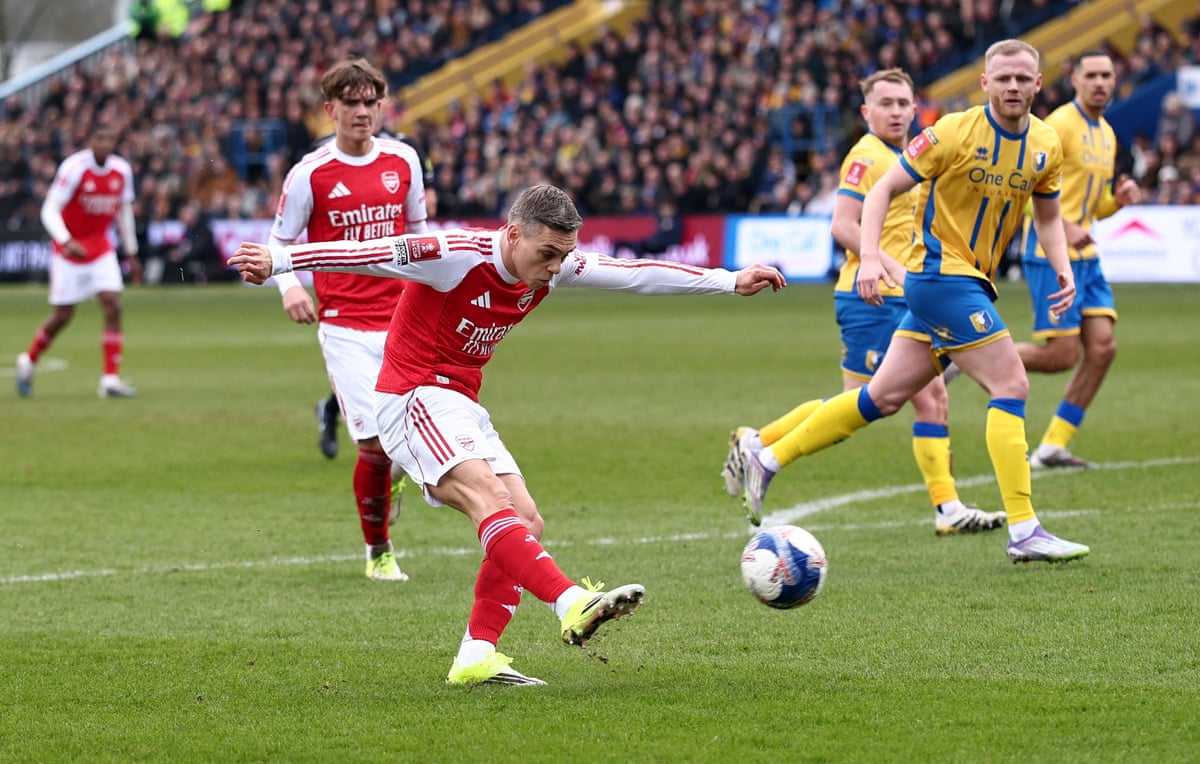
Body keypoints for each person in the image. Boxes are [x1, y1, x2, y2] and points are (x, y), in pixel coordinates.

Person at [229, 183, 785, 686]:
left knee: (526, 519)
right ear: (513, 234)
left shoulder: (553, 262)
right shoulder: (454, 256)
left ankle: (476, 654)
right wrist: (280, 260)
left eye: (564, 254)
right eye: (547, 253)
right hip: (412, 396)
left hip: (459, 402)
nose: (555, 267)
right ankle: (572, 601)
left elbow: (634, 272)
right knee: (490, 501)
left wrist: (729, 280)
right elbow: (369, 253)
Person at [726, 39, 1090, 565]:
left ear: (1039, 83)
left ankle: (768, 455)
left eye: (1023, 78)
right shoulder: (950, 133)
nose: (1013, 86)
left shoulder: (1045, 144)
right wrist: (870, 257)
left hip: (957, 282)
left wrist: (1061, 266)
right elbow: (879, 194)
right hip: (941, 277)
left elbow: (1049, 215)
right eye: (1003, 78)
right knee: (1010, 382)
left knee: (881, 397)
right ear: (985, 83)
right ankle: (1024, 528)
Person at [723, 69, 1005, 536]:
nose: (895, 111)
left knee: (927, 399)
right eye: (886, 103)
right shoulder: (866, 156)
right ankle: (759, 445)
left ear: (916, 109)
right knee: (861, 403)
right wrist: (885, 265)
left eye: (903, 103)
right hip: (871, 294)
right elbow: (842, 224)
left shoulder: (909, 157)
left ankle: (948, 509)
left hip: (904, 294)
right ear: (866, 112)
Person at [268, 59, 428, 582]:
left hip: (406, 318)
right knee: (375, 446)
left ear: (382, 106)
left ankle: (397, 478)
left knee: (416, 437)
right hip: (344, 323)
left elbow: (421, 231)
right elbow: (279, 242)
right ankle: (378, 551)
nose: (362, 112)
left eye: (371, 102)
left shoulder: (404, 160)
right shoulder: (310, 173)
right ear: (330, 109)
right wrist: (290, 285)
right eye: (351, 103)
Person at [1015, 51, 1142, 469]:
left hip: (1086, 255)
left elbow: (1093, 209)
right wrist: (1065, 227)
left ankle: (1053, 445)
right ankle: (969, 353)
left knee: (1103, 348)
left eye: (1107, 75)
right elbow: (1025, 192)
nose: (1101, 82)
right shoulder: (1058, 126)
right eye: (1092, 75)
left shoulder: (1106, 133)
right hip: (1050, 252)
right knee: (1061, 355)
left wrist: (1116, 203)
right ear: (1074, 79)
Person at [313, 127, 437, 463]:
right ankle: (339, 416)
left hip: (396, 295)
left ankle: (330, 408)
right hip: (346, 305)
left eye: (371, 98)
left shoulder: (405, 148)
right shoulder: (323, 153)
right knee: (376, 426)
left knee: (400, 390)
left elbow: (428, 199)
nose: (363, 110)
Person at [16, 123, 141, 399]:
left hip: (101, 251)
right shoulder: (74, 168)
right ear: (90, 141)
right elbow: (50, 209)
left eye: (109, 139)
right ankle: (28, 360)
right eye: (100, 138)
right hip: (69, 253)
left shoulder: (121, 171)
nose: (105, 144)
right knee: (63, 316)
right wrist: (65, 239)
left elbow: (124, 211)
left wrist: (131, 251)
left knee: (113, 304)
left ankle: (110, 379)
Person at [611, 198, 683, 258]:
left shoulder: (675, 221)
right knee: (620, 242)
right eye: (663, 208)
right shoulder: (660, 219)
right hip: (651, 243)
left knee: (639, 245)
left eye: (666, 209)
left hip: (661, 247)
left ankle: (637, 263)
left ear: (672, 210)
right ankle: (613, 259)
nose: (664, 211)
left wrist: (657, 242)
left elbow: (674, 239)